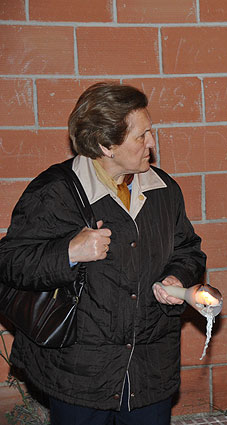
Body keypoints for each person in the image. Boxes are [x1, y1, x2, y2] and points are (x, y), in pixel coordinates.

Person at [0, 82, 206, 425]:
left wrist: (178, 277)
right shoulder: (55, 192)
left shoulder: (164, 190)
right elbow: (10, 261)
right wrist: (68, 251)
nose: (152, 144)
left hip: (150, 370)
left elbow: (189, 250)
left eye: (150, 133)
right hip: (81, 374)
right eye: (141, 137)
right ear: (105, 145)